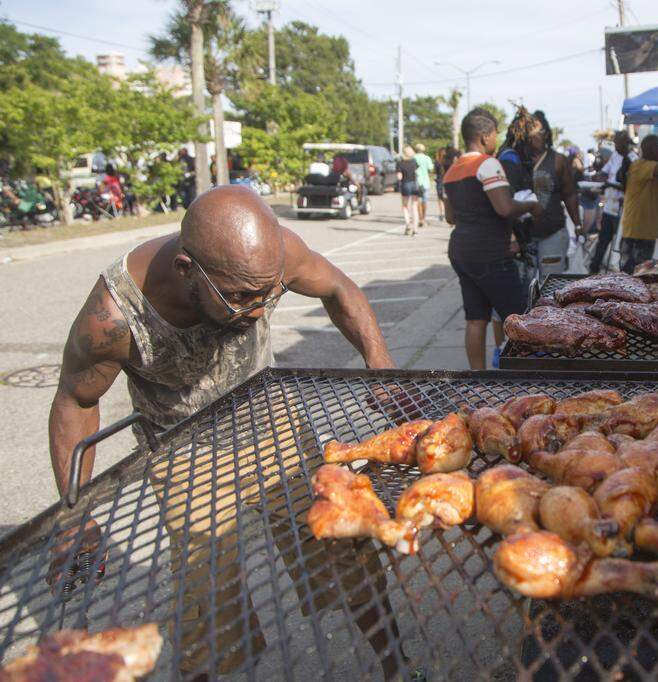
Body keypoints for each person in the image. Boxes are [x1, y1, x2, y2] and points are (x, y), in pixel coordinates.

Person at [47, 185, 398, 677]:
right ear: (187, 268)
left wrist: (378, 362)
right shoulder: (115, 316)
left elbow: (340, 289)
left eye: (268, 294)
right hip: (183, 450)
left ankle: (398, 666)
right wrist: (74, 511)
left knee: (345, 549)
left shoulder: (273, 255)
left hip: (272, 422)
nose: (258, 310)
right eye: (239, 297)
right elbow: (76, 401)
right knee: (206, 596)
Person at [443, 108, 543, 370]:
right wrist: (530, 205)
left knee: (476, 319)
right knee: (519, 317)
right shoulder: (487, 164)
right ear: (485, 136)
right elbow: (504, 208)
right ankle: (521, 376)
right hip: (490, 253)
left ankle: (478, 377)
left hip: (461, 252)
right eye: (494, 135)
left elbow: (450, 217)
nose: (495, 140)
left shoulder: (452, 169)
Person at [524, 110, 581, 282]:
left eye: (541, 131)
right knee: (525, 290)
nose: (537, 136)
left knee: (550, 285)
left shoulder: (558, 160)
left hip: (552, 233)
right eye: (531, 131)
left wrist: (578, 225)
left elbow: (569, 194)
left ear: (547, 133)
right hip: (523, 237)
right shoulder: (515, 159)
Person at [619, 134, 658, 274]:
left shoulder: (645, 166)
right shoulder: (641, 165)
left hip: (644, 231)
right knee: (635, 274)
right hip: (637, 231)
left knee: (640, 273)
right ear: (651, 150)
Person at [589, 131, 635, 273]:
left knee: (622, 245)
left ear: (626, 144)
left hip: (623, 210)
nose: (616, 148)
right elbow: (605, 172)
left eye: (618, 144)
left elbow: (628, 186)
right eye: (615, 144)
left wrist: (609, 184)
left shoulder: (633, 159)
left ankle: (623, 274)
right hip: (609, 207)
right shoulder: (615, 156)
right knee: (603, 240)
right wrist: (598, 176)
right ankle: (594, 268)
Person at [396, 146, 420, 235]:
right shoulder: (414, 162)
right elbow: (417, 171)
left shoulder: (400, 163)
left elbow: (399, 176)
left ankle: (408, 224)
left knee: (405, 206)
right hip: (414, 184)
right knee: (414, 206)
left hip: (405, 184)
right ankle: (415, 228)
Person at [413, 143, 433, 228]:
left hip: (417, 181)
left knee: (418, 201)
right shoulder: (427, 158)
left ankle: (420, 218)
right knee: (425, 201)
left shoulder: (413, 158)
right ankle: (423, 218)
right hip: (425, 181)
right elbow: (431, 168)